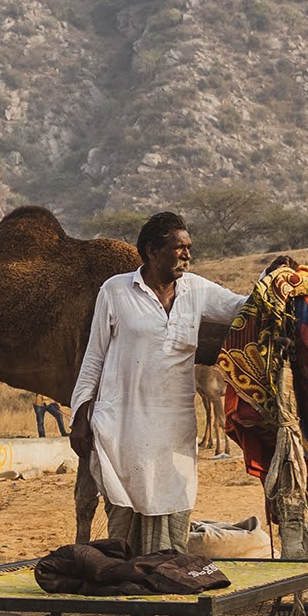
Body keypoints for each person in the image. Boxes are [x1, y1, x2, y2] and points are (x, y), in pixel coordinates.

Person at [70, 211, 247, 555]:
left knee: (174, 509)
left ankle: (163, 601)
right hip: (122, 428)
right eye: (179, 248)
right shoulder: (116, 290)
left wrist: (277, 277)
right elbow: (95, 356)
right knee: (122, 515)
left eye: (189, 248)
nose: (187, 255)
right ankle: (129, 600)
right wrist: (80, 414)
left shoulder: (196, 289)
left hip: (173, 430)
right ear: (152, 251)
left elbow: (244, 306)